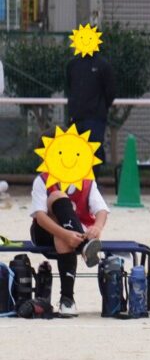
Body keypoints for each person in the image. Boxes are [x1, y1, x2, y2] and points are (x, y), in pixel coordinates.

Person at [28, 165, 106, 317]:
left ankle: (67, 299)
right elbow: (40, 217)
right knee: (56, 195)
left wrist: (97, 227)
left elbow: (101, 210)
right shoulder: (42, 179)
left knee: (63, 238)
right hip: (44, 232)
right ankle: (85, 247)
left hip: (74, 236)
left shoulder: (87, 181)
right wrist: (66, 234)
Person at [65, 51, 115, 162]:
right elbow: (69, 89)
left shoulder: (103, 65)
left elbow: (110, 92)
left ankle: (94, 174)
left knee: (94, 155)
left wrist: (100, 107)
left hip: (95, 120)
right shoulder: (72, 65)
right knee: (75, 156)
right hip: (76, 119)